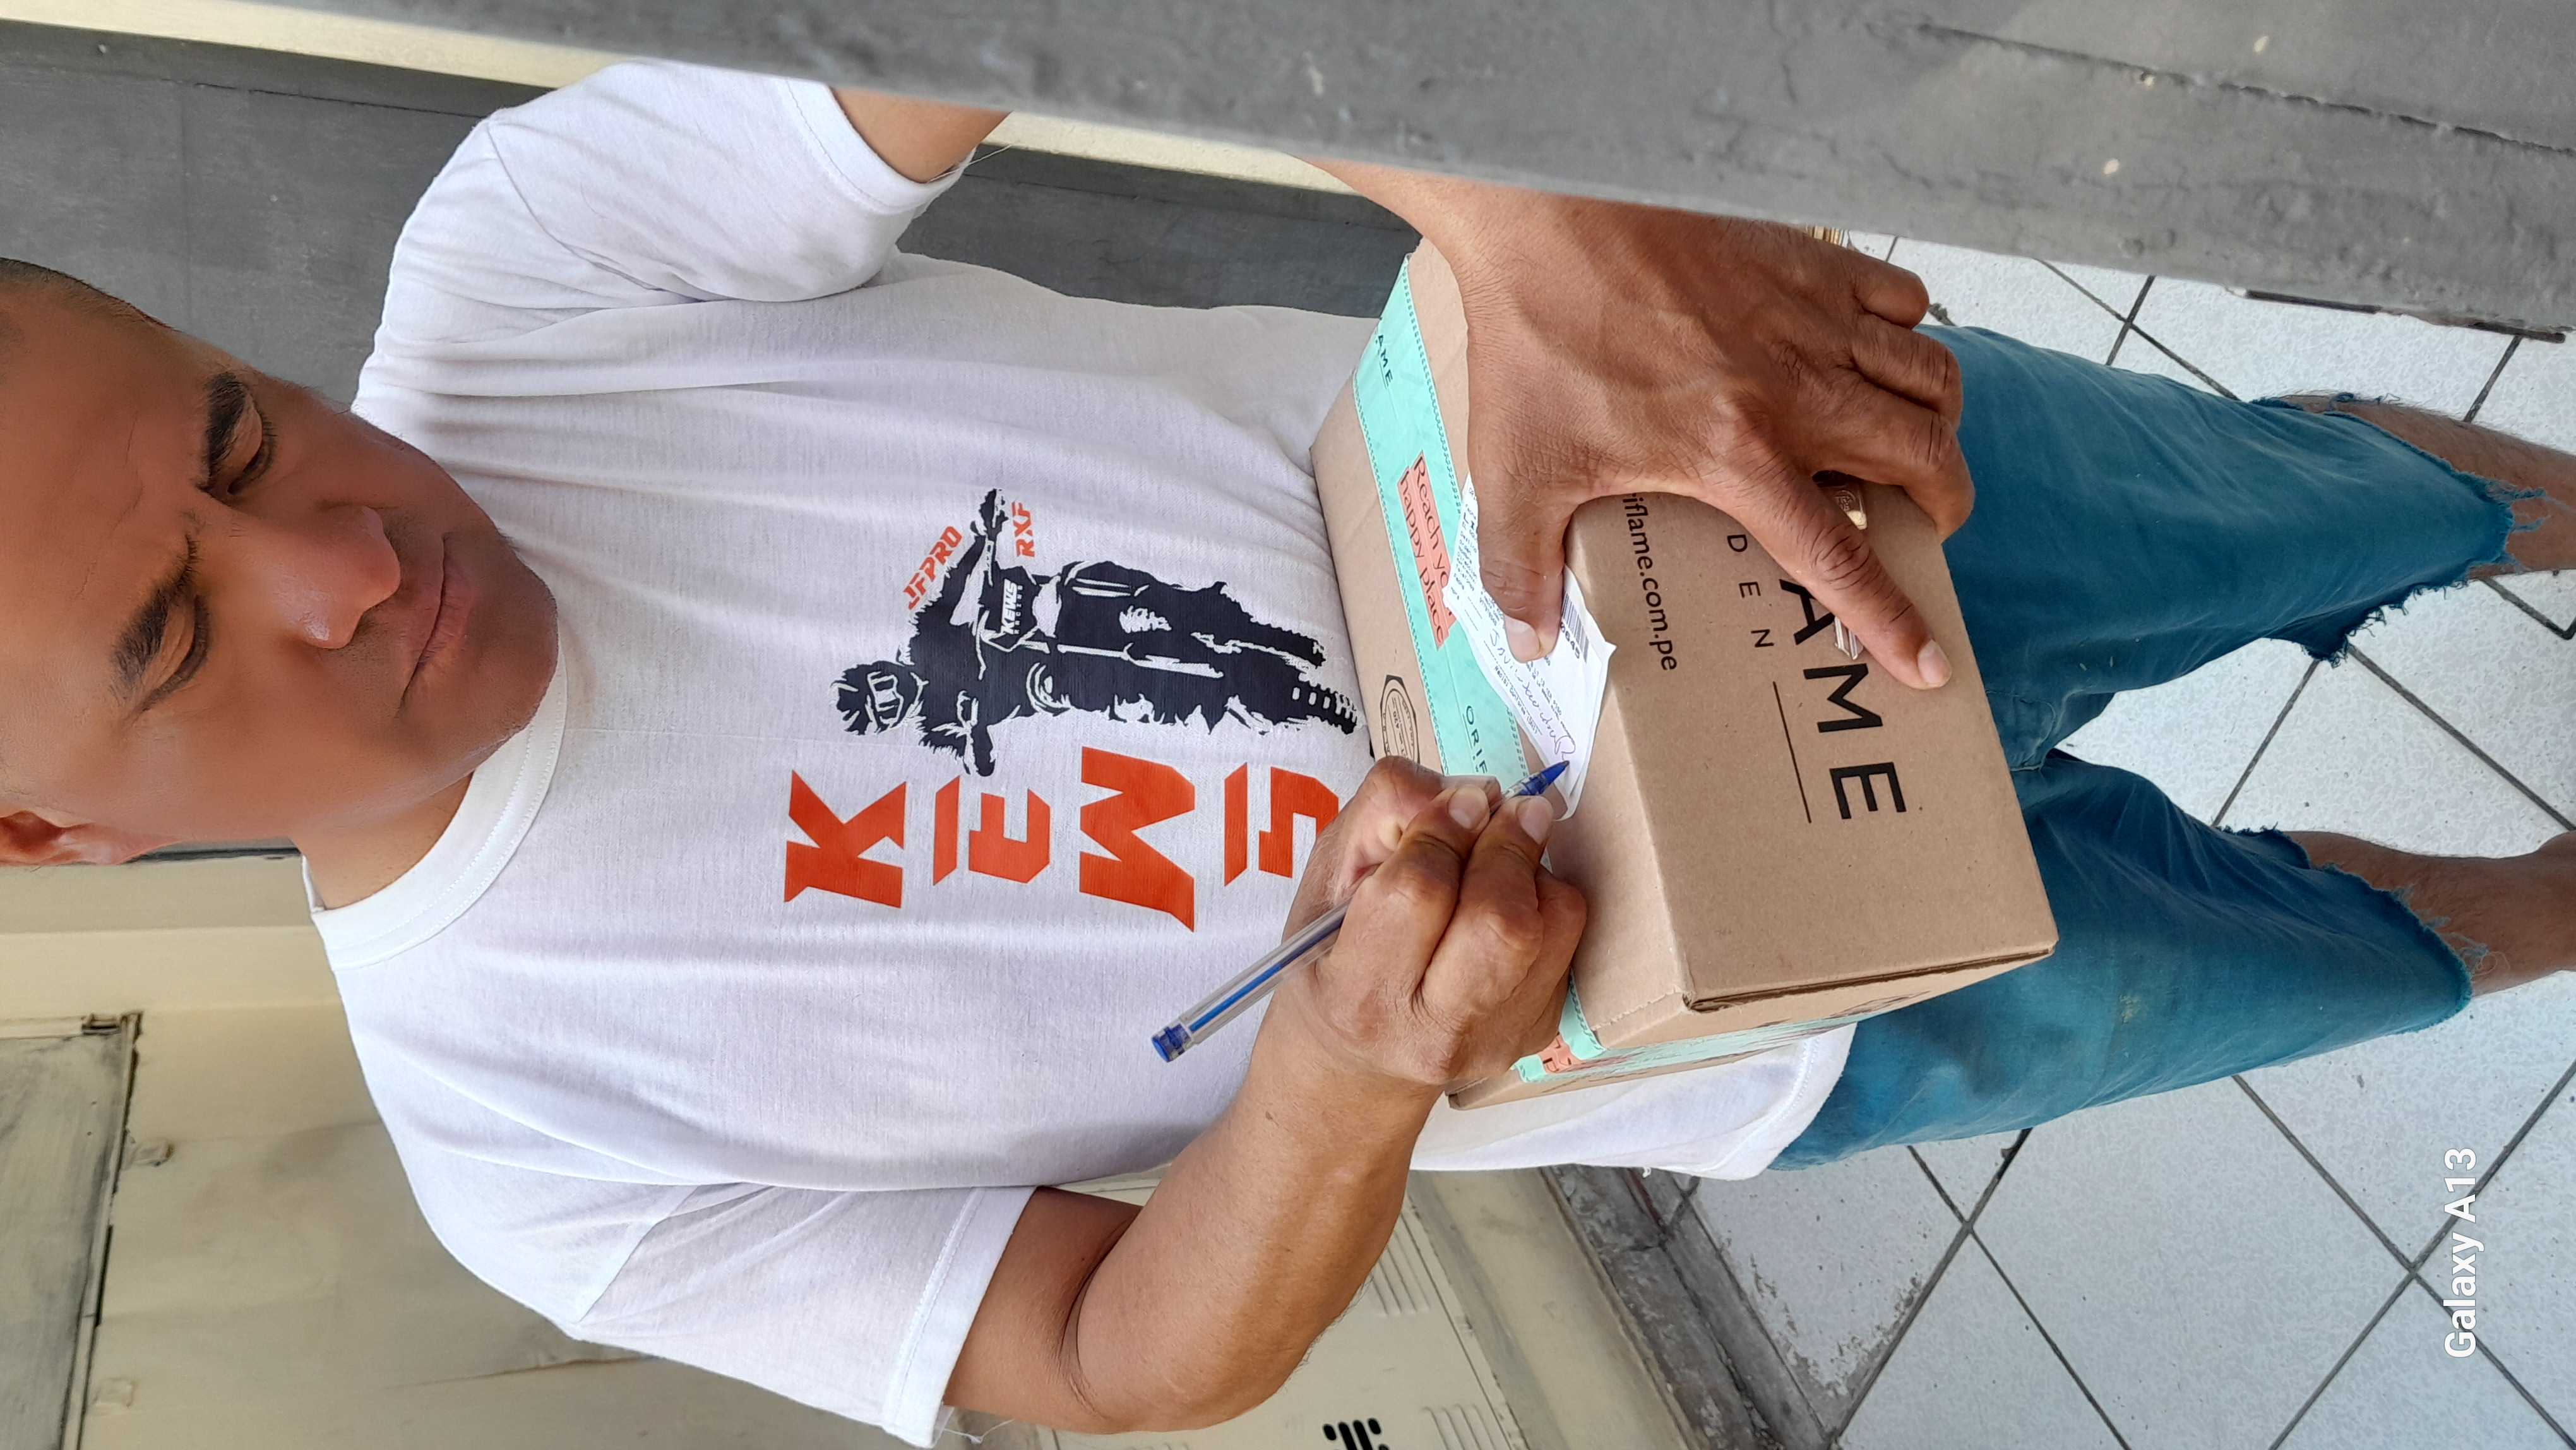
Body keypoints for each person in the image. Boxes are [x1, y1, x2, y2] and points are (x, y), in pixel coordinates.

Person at [0, 59, 2567, 1446]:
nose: (344, 562)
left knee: (2312, 504)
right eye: (176, 635)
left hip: (1712, 472)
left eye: (238, 434)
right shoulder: (527, 1152)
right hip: (1771, 1020)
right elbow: (1116, 1359)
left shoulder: (527, 280)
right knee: (2338, 963)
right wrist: (1347, 1066)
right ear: (56, 832)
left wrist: (1528, 247)